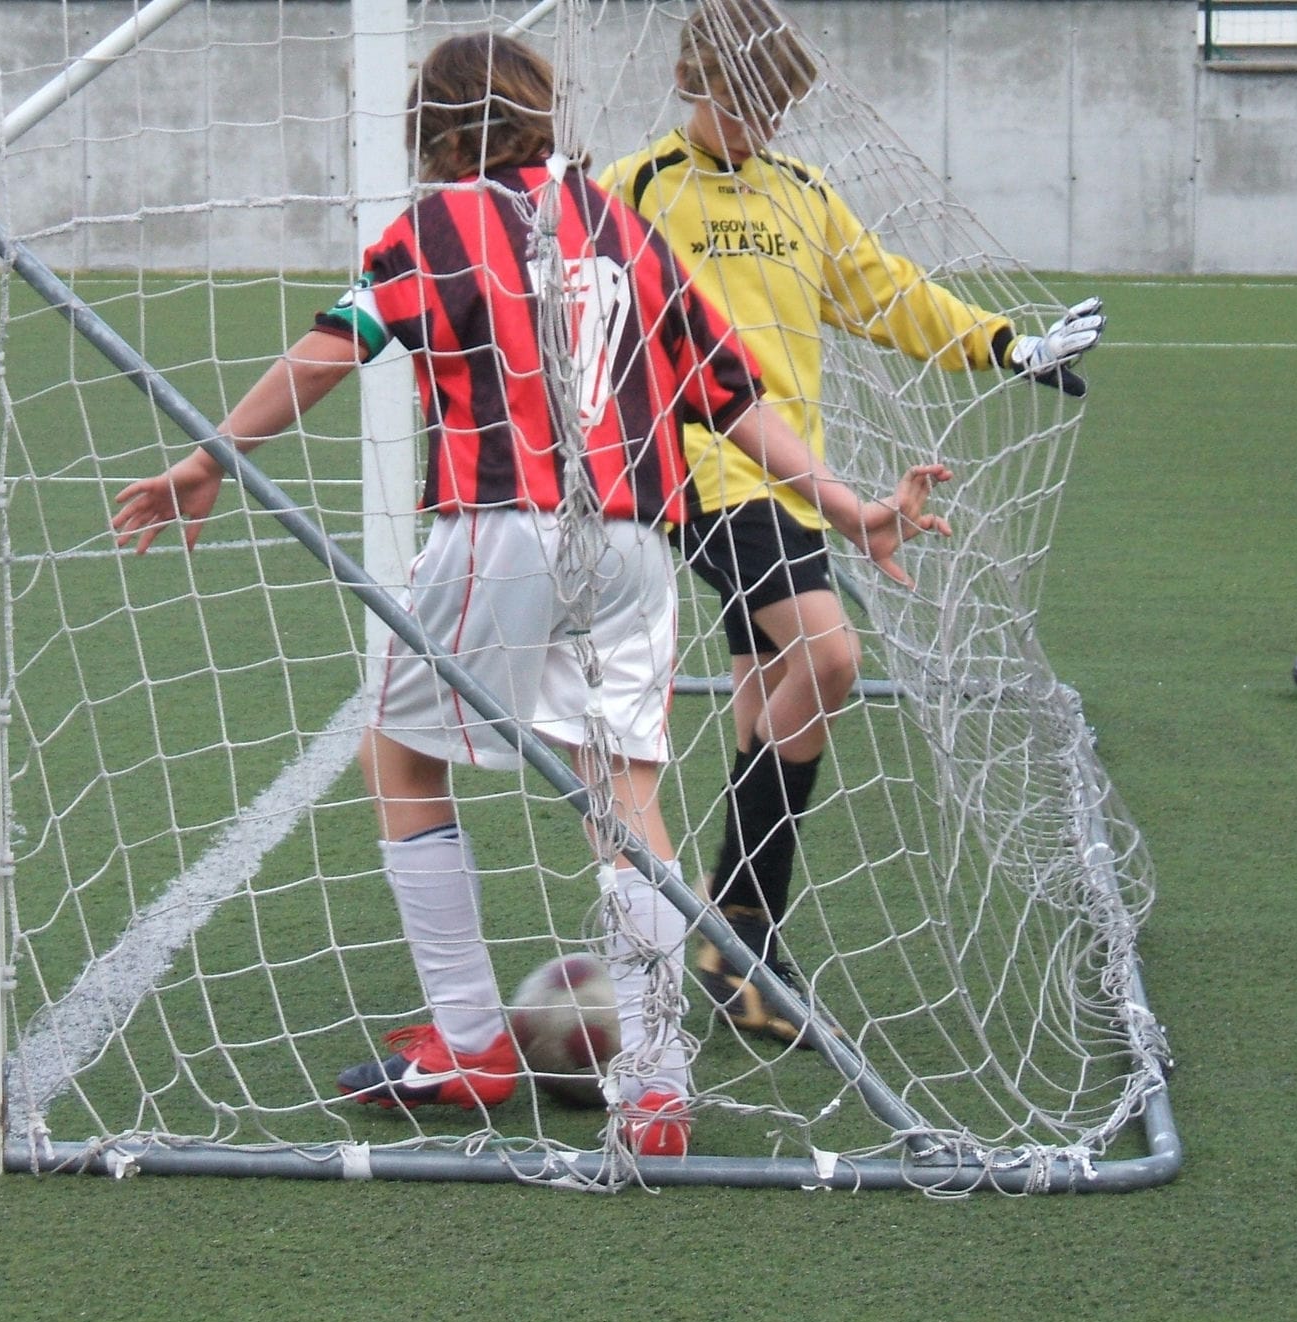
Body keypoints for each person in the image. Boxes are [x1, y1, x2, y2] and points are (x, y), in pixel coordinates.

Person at [111, 31, 952, 1156]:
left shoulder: (446, 223)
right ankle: (656, 1090)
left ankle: (467, 1041)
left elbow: (335, 344)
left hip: (503, 527)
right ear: (544, 114)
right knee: (628, 801)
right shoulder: (624, 225)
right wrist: (847, 507)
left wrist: (210, 457)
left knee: (399, 758)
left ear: (437, 134)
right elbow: (730, 397)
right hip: (636, 543)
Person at [598, 0, 1104, 1046]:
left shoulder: (802, 191)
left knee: (766, 695)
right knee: (830, 658)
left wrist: (1007, 344)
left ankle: (734, 934)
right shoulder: (635, 188)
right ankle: (738, 928)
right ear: (694, 84)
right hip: (699, 472)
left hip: (796, 480)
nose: (766, 124)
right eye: (750, 103)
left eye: (778, 107)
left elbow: (889, 296)